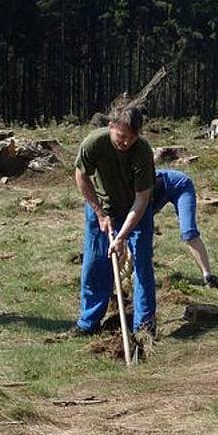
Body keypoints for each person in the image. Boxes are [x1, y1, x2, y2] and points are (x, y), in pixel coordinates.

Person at [66, 107, 156, 338]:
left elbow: (142, 199)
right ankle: (88, 323)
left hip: (135, 212)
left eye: (132, 138)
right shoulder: (94, 142)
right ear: (111, 127)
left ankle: (143, 327)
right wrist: (99, 213)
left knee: (143, 264)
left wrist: (122, 236)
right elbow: (81, 176)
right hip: (101, 208)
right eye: (121, 136)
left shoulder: (143, 152)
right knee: (95, 264)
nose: (126, 142)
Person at [153, 169, 218, 288]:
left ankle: (208, 276)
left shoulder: (149, 181)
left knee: (189, 232)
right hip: (156, 193)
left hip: (181, 186)